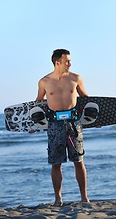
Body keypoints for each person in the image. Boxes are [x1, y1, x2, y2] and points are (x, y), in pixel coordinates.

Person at [35, 49, 89, 206]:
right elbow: (38, 103)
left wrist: (94, 119)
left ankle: (84, 197)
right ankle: (58, 199)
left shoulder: (76, 78)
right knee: (56, 163)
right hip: (54, 125)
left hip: (74, 124)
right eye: (67, 61)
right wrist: (33, 124)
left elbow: (86, 99)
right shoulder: (44, 81)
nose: (70, 64)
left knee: (79, 161)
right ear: (57, 62)